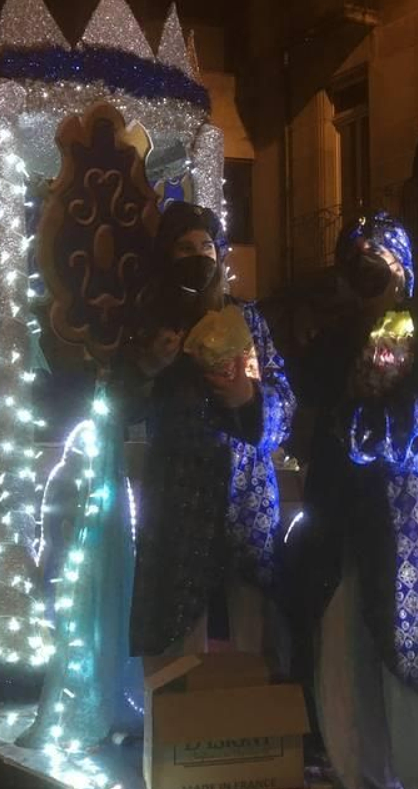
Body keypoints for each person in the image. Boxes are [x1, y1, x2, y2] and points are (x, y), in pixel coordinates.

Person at [286, 212, 418, 789]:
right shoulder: (333, 338)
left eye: (378, 260)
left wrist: (358, 426)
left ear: (402, 269)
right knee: (340, 634)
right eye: (355, 262)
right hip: (335, 511)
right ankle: (358, 770)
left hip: (399, 513)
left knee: (409, 640)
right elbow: (303, 409)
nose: (365, 272)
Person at [123, 200, 294, 672]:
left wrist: (246, 397)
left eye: (206, 246)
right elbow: (118, 407)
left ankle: (245, 711)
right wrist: (147, 368)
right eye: (184, 248)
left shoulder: (247, 319)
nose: (198, 256)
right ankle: (179, 713)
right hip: (177, 502)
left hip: (245, 501)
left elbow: (284, 401)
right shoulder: (150, 323)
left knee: (247, 635)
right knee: (179, 643)